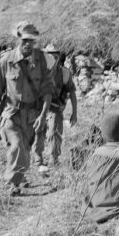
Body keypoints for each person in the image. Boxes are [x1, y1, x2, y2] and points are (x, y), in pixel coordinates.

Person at [0, 22, 54, 196]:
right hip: (12, 114)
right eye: (25, 40)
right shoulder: (6, 61)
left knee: (24, 149)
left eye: (31, 40)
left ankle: (21, 176)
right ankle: (13, 184)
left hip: (33, 115)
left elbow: (48, 90)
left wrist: (43, 114)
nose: (28, 44)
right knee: (16, 146)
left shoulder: (41, 60)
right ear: (19, 38)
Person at [33, 44, 78, 172]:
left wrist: (74, 113)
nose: (52, 57)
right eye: (49, 55)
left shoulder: (64, 73)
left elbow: (72, 93)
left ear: (59, 57)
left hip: (55, 107)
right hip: (38, 106)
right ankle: (38, 158)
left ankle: (54, 158)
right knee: (38, 132)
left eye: (55, 55)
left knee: (54, 132)